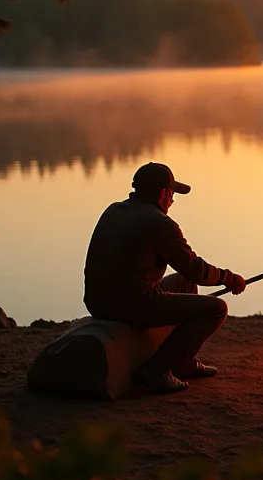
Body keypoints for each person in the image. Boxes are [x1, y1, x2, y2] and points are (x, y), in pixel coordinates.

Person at [83, 162, 247, 393]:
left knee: (185, 282)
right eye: (172, 194)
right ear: (163, 193)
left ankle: (183, 362)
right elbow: (195, 270)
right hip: (132, 304)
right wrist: (228, 278)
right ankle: (155, 370)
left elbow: (188, 275)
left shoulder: (113, 210)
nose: (172, 200)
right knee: (217, 309)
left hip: (96, 302)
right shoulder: (161, 224)